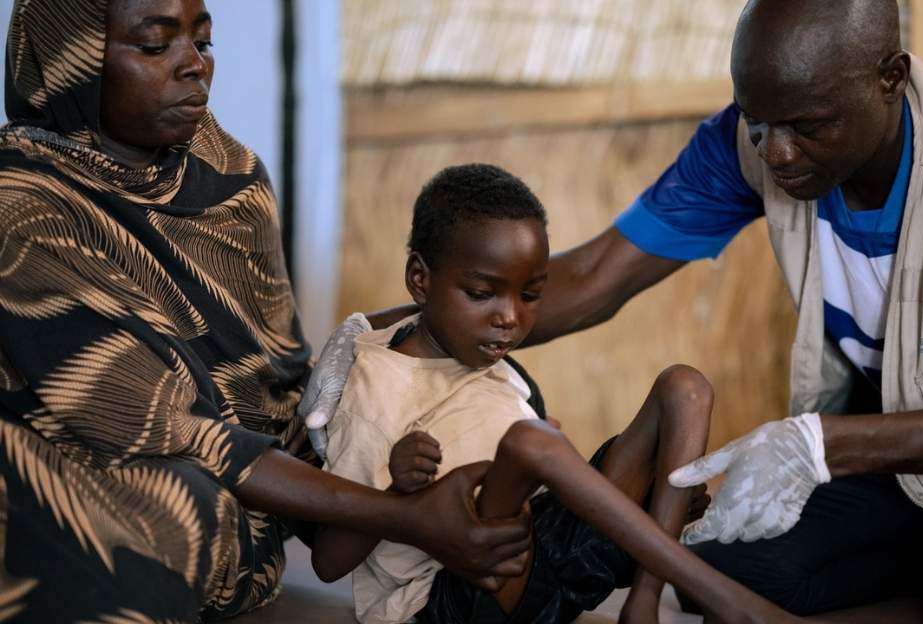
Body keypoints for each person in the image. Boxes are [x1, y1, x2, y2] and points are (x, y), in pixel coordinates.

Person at [308, 0, 923, 620]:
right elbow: (592, 275)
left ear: (890, 78)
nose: (778, 153)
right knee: (728, 561)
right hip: (904, 466)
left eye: (807, 126)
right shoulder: (754, 139)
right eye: (759, 123)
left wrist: (822, 442)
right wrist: (392, 334)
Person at [0, 1, 534, 621]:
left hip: (239, 503)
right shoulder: (24, 205)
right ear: (72, 57)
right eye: (154, 47)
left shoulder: (231, 176)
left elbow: (280, 392)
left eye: (203, 41)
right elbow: (158, 427)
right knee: (169, 507)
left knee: (467, 377)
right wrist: (403, 517)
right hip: (94, 468)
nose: (193, 66)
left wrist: (402, 417)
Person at [310, 163, 793, 624]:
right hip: (449, 598)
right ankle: (721, 595)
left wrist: (649, 499)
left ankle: (644, 600)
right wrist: (397, 489)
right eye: (482, 294)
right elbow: (329, 561)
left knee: (683, 387)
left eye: (531, 294)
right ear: (421, 279)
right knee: (531, 443)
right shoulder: (378, 393)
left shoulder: (488, 360)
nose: (510, 317)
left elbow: (542, 497)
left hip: (542, 561)